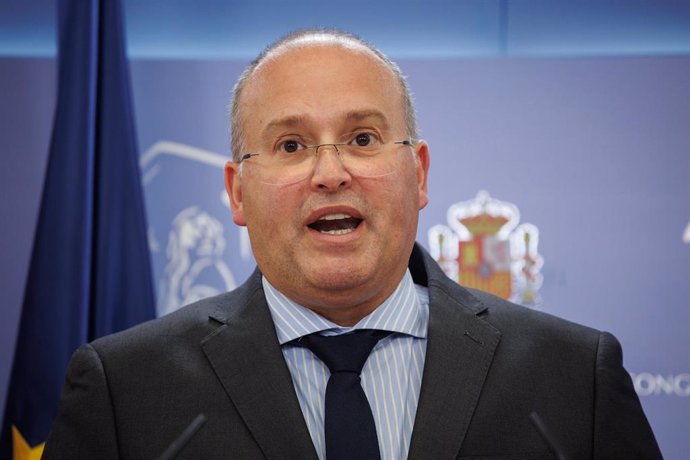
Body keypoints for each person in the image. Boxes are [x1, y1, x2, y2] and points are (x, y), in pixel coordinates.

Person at [43, 29, 661, 459]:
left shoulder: (575, 377)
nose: (330, 171)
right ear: (237, 192)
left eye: (363, 138)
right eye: (290, 145)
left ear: (418, 174)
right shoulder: (125, 390)